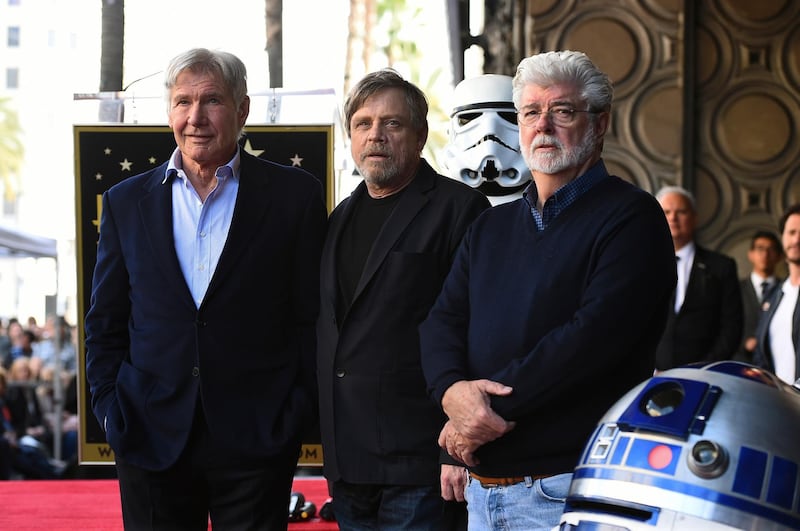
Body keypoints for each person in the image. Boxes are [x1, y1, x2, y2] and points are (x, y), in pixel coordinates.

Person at [419, 50, 676, 531]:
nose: (544, 126)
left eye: (562, 111)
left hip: (569, 490)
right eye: (531, 112)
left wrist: (480, 414)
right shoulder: (490, 227)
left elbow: (592, 339)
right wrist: (451, 391)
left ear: (599, 124)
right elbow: (442, 321)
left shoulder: (632, 218)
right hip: (485, 493)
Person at [84, 48, 327, 529]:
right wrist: (111, 410)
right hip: (149, 434)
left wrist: (294, 414)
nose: (195, 117)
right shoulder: (125, 201)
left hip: (257, 438)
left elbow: (312, 317)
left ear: (242, 110)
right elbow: (105, 322)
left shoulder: (293, 196)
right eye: (182, 102)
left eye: (212, 100)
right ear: (169, 110)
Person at [316, 68, 491, 530]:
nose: (376, 135)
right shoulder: (338, 218)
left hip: (421, 463)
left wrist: (454, 445)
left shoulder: (460, 209)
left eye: (392, 123)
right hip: (348, 462)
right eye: (364, 123)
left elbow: (477, 330)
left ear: (419, 136)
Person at [655, 186, 743, 370]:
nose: (673, 217)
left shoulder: (722, 267)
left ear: (694, 218)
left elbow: (731, 328)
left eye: (681, 212)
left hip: (705, 377)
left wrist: (702, 369)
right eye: (666, 212)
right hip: (650, 378)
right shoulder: (644, 265)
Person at [753, 204, 800, 384]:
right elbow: (761, 354)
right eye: (791, 232)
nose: (796, 239)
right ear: (783, 237)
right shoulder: (774, 295)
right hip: (777, 405)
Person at [735, 230, 783, 364]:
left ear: (779, 256)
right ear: (751, 254)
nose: (765, 254)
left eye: (771, 249)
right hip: (741, 363)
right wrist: (744, 343)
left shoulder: (786, 290)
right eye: (760, 248)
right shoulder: (736, 289)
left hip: (776, 365)